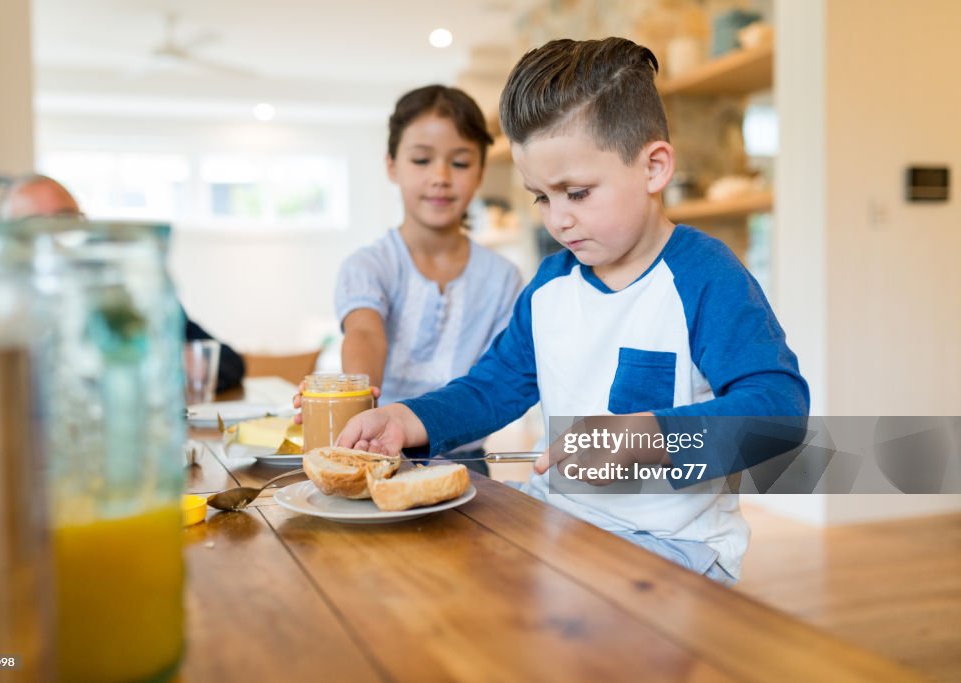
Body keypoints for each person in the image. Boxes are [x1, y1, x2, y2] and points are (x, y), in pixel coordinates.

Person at [336, 38, 809, 584]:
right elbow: (493, 388)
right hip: (555, 512)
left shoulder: (704, 277)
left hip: (670, 543)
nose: (556, 220)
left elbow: (778, 414)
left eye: (577, 193)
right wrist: (405, 418)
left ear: (653, 167)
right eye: (541, 196)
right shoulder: (551, 283)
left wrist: (649, 435)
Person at [332, 85, 524, 475]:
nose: (440, 177)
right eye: (421, 160)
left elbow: (505, 379)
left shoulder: (504, 278)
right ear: (391, 165)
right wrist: (354, 397)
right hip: (378, 454)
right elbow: (366, 333)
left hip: (467, 466)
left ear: (481, 171)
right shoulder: (369, 265)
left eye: (460, 162)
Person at [1, 174, 246, 392]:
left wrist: (166, 362)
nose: (56, 234)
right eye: (36, 224)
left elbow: (227, 362)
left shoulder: (127, 291)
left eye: (67, 218)